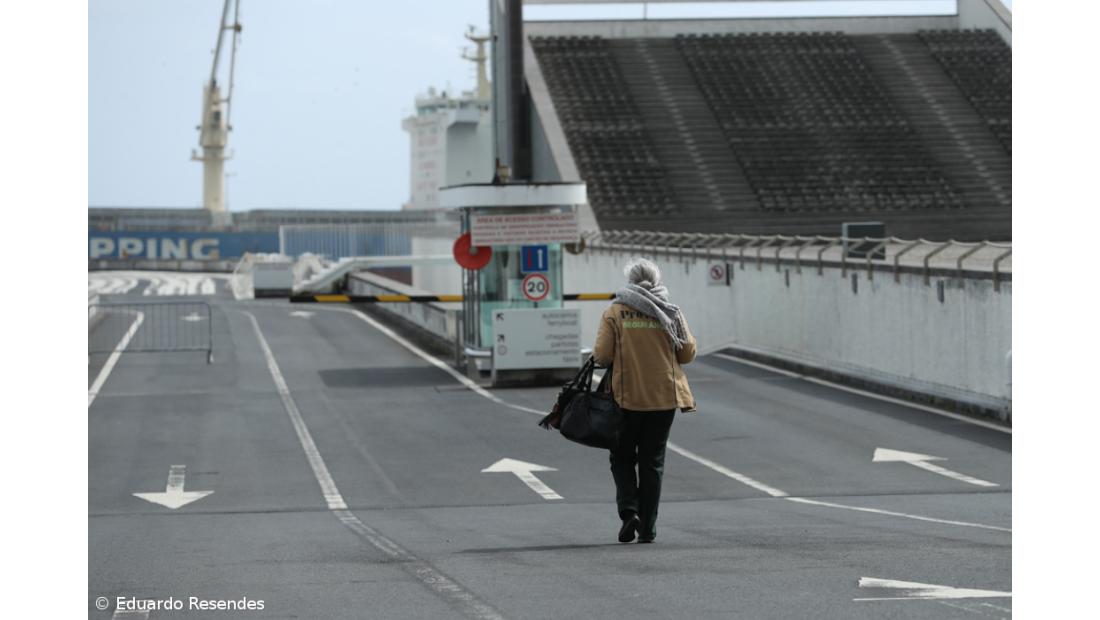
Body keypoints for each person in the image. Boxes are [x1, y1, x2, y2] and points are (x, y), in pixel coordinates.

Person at [593, 257, 696, 544]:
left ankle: (629, 512)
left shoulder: (615, 312)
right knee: (653, 462)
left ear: (630, 281)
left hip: (627, 399)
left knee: (622, 456)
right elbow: (687, 354)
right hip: (664, 398)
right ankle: (648, 529)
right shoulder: (671, 312)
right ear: (657, 280)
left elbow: (601, 356)